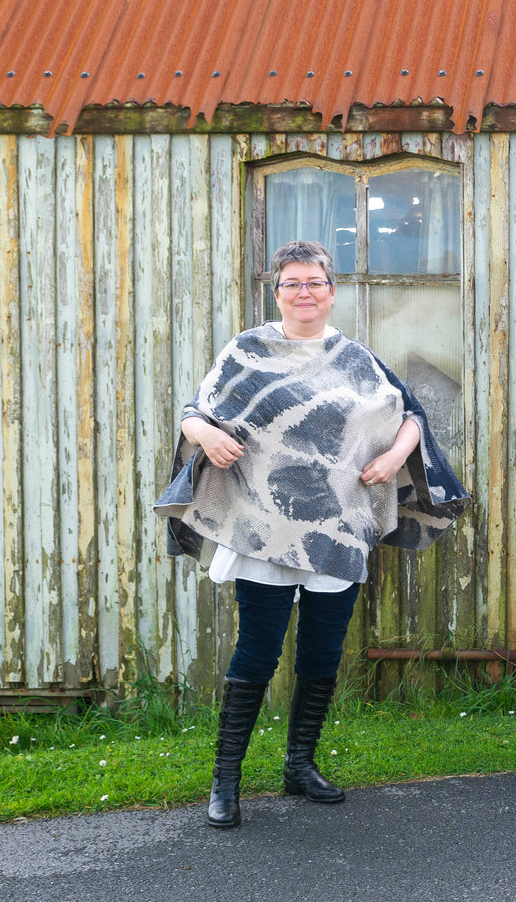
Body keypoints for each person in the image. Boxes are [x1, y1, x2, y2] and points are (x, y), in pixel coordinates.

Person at [155, 240, 469, 828]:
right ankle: (226, 782)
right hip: (264, 529)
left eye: (315, 283)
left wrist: (391, 458)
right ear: (277, 292)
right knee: (258, 651)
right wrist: (205, 435)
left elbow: (408, 415)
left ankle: (300, 766)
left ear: (331, 291)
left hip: (338, 527)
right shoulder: (248, 350)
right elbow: (193, 410)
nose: (304, 292)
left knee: (322, 652)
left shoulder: (355, 358)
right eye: (292, 283)